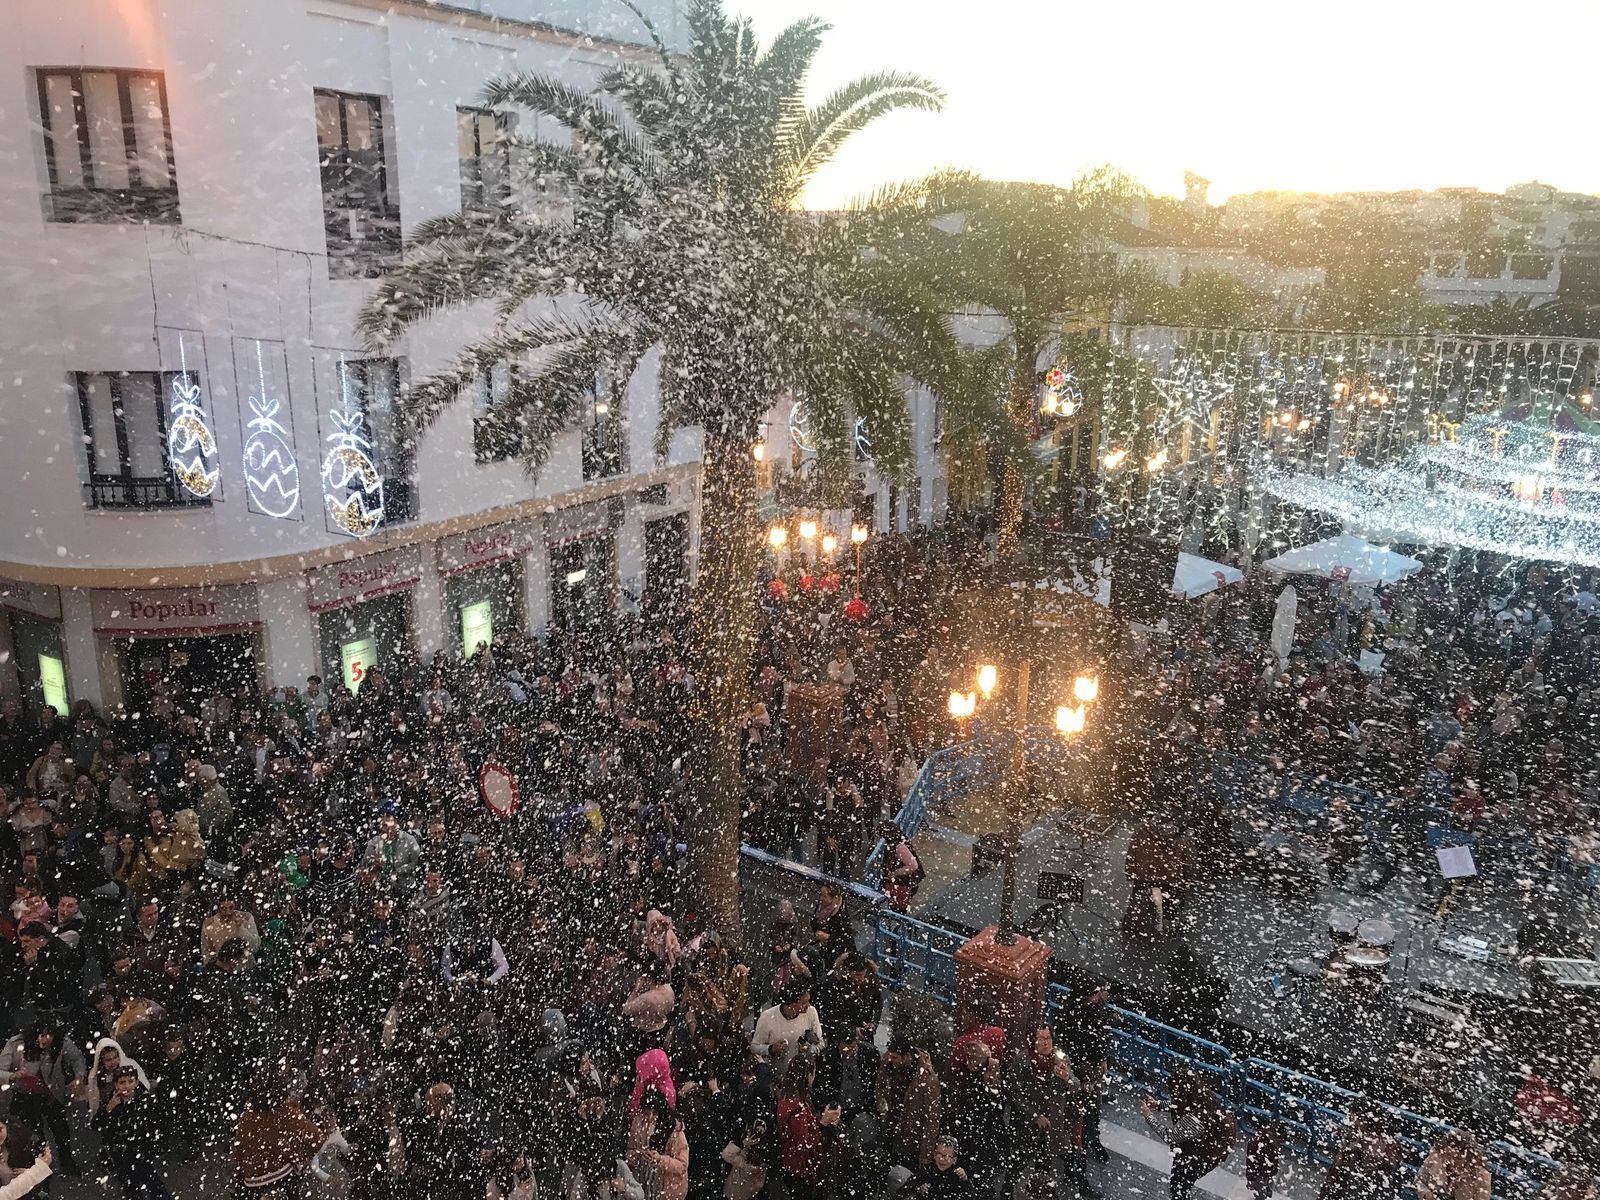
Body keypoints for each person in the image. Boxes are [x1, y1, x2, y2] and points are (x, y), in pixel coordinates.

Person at [1139, 1070, 1236, 1200]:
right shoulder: (1202, 1097)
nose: (1172, 1096)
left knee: (1179, 1188)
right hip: (1199, 1153)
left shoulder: (1198, 1117)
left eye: (1173, 1093)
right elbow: (1181, 1105)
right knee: (1181, 1186)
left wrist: (1149, 1116)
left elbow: (1170, 1136)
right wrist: (1159, 1105)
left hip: (1195, 1158)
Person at [92, 1066, 174, 1200]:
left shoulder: (145, 1100)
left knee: (152, 1184)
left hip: (141, 1150)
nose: (127, 1086)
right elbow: (96, 1125)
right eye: (122, 1082)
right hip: (120, 1153)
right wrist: (108, 1109)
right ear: (116, 1084)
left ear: (136, 1082)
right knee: (130, 1187)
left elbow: (158, 1124)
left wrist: (155, 1144)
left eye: (130, 1081)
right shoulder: (111, 1101)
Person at [874, 1034, 942, 1170]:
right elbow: (880, 1087)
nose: (890, 1060)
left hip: (909, 1138)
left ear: (906, 1057)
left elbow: (932, 1118)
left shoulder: (927, 1079)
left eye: (895, 1057)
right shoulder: (888, 1064)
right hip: (889, 1127)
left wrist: (926, 1155)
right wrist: (882, 1107)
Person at [1316, 1103, 1402, 1200]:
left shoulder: (1381, 1142)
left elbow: (1379, 1167)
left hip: (1365, 1185)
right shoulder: (1354, 1134)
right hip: (1345, 1182)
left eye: (1354, 1117)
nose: (1351, 1120)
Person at [627, 1087, 688, 1200]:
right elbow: (631, 1149)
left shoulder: (675, 1132)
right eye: (646, 1114)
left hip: (668, 1190)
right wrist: (636, 1156)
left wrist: (660, 1160)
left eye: (654, 1114)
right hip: (642, 1183)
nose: (650, 1118)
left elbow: (682, 1166)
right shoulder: (638, 1123)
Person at [752, 981, 824, 1076]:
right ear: (791, 1004)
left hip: (802, 1075)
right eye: (804, 1003)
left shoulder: (811, 1012)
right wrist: (770, 1049)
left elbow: (821, 1043)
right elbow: (754, 1047)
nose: (808, 1005)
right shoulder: (767, 1017)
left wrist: (809, 1049)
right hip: (775, 1075)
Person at [1414, 1131, 1491, 1200]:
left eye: (1457, 1158)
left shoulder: (1481, 1175)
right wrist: (1424, 1192)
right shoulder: (1435, 1159)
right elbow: (1419, 1180)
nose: (1452, 1161)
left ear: (1469, 1157)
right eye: (1449, 1156)